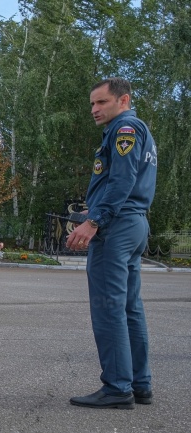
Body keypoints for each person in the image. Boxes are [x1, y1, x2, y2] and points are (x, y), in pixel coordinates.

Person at [67, 77, 157, 410]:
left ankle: (118, 387)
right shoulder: (134, 131)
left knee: (109, 308)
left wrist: (94, 222)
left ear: (123, 100)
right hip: (133, 224)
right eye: (92, 103)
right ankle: (139, 383)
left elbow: (121, 181)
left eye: (101, 102)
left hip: (117, 228)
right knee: (130, 307)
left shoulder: (125, 130)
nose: (94, 109)